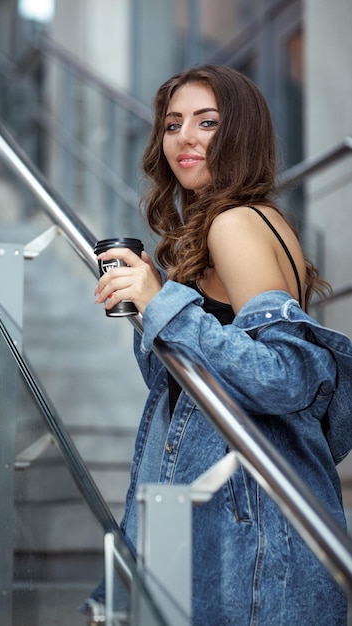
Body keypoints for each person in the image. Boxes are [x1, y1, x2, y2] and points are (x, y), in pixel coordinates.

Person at [93, 65, 352, 625]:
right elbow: (191, 389)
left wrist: (163, 306)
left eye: (207, 122)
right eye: (172, 124)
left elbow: (288, 374)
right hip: (237, 515)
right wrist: (156, 304)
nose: (184, 138)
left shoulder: (233, 224)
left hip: (250, 530)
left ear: (241, 134)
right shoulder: (242, 223)